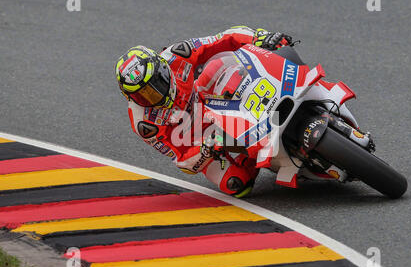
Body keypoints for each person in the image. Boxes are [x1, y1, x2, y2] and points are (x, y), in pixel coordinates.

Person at [114, 26, 292, 197]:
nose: (154, 95)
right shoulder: (144, 124)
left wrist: (259, 37)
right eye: (143, 95)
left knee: (221, 64)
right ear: (130, 97)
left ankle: (281, 89)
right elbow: (182, 161)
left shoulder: (178, 54)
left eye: (156, 85)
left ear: (162, 69)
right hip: (203, 138)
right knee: (237, 184)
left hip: (210, 95)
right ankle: (254, 156)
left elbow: (224, 38)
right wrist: (205, 149)